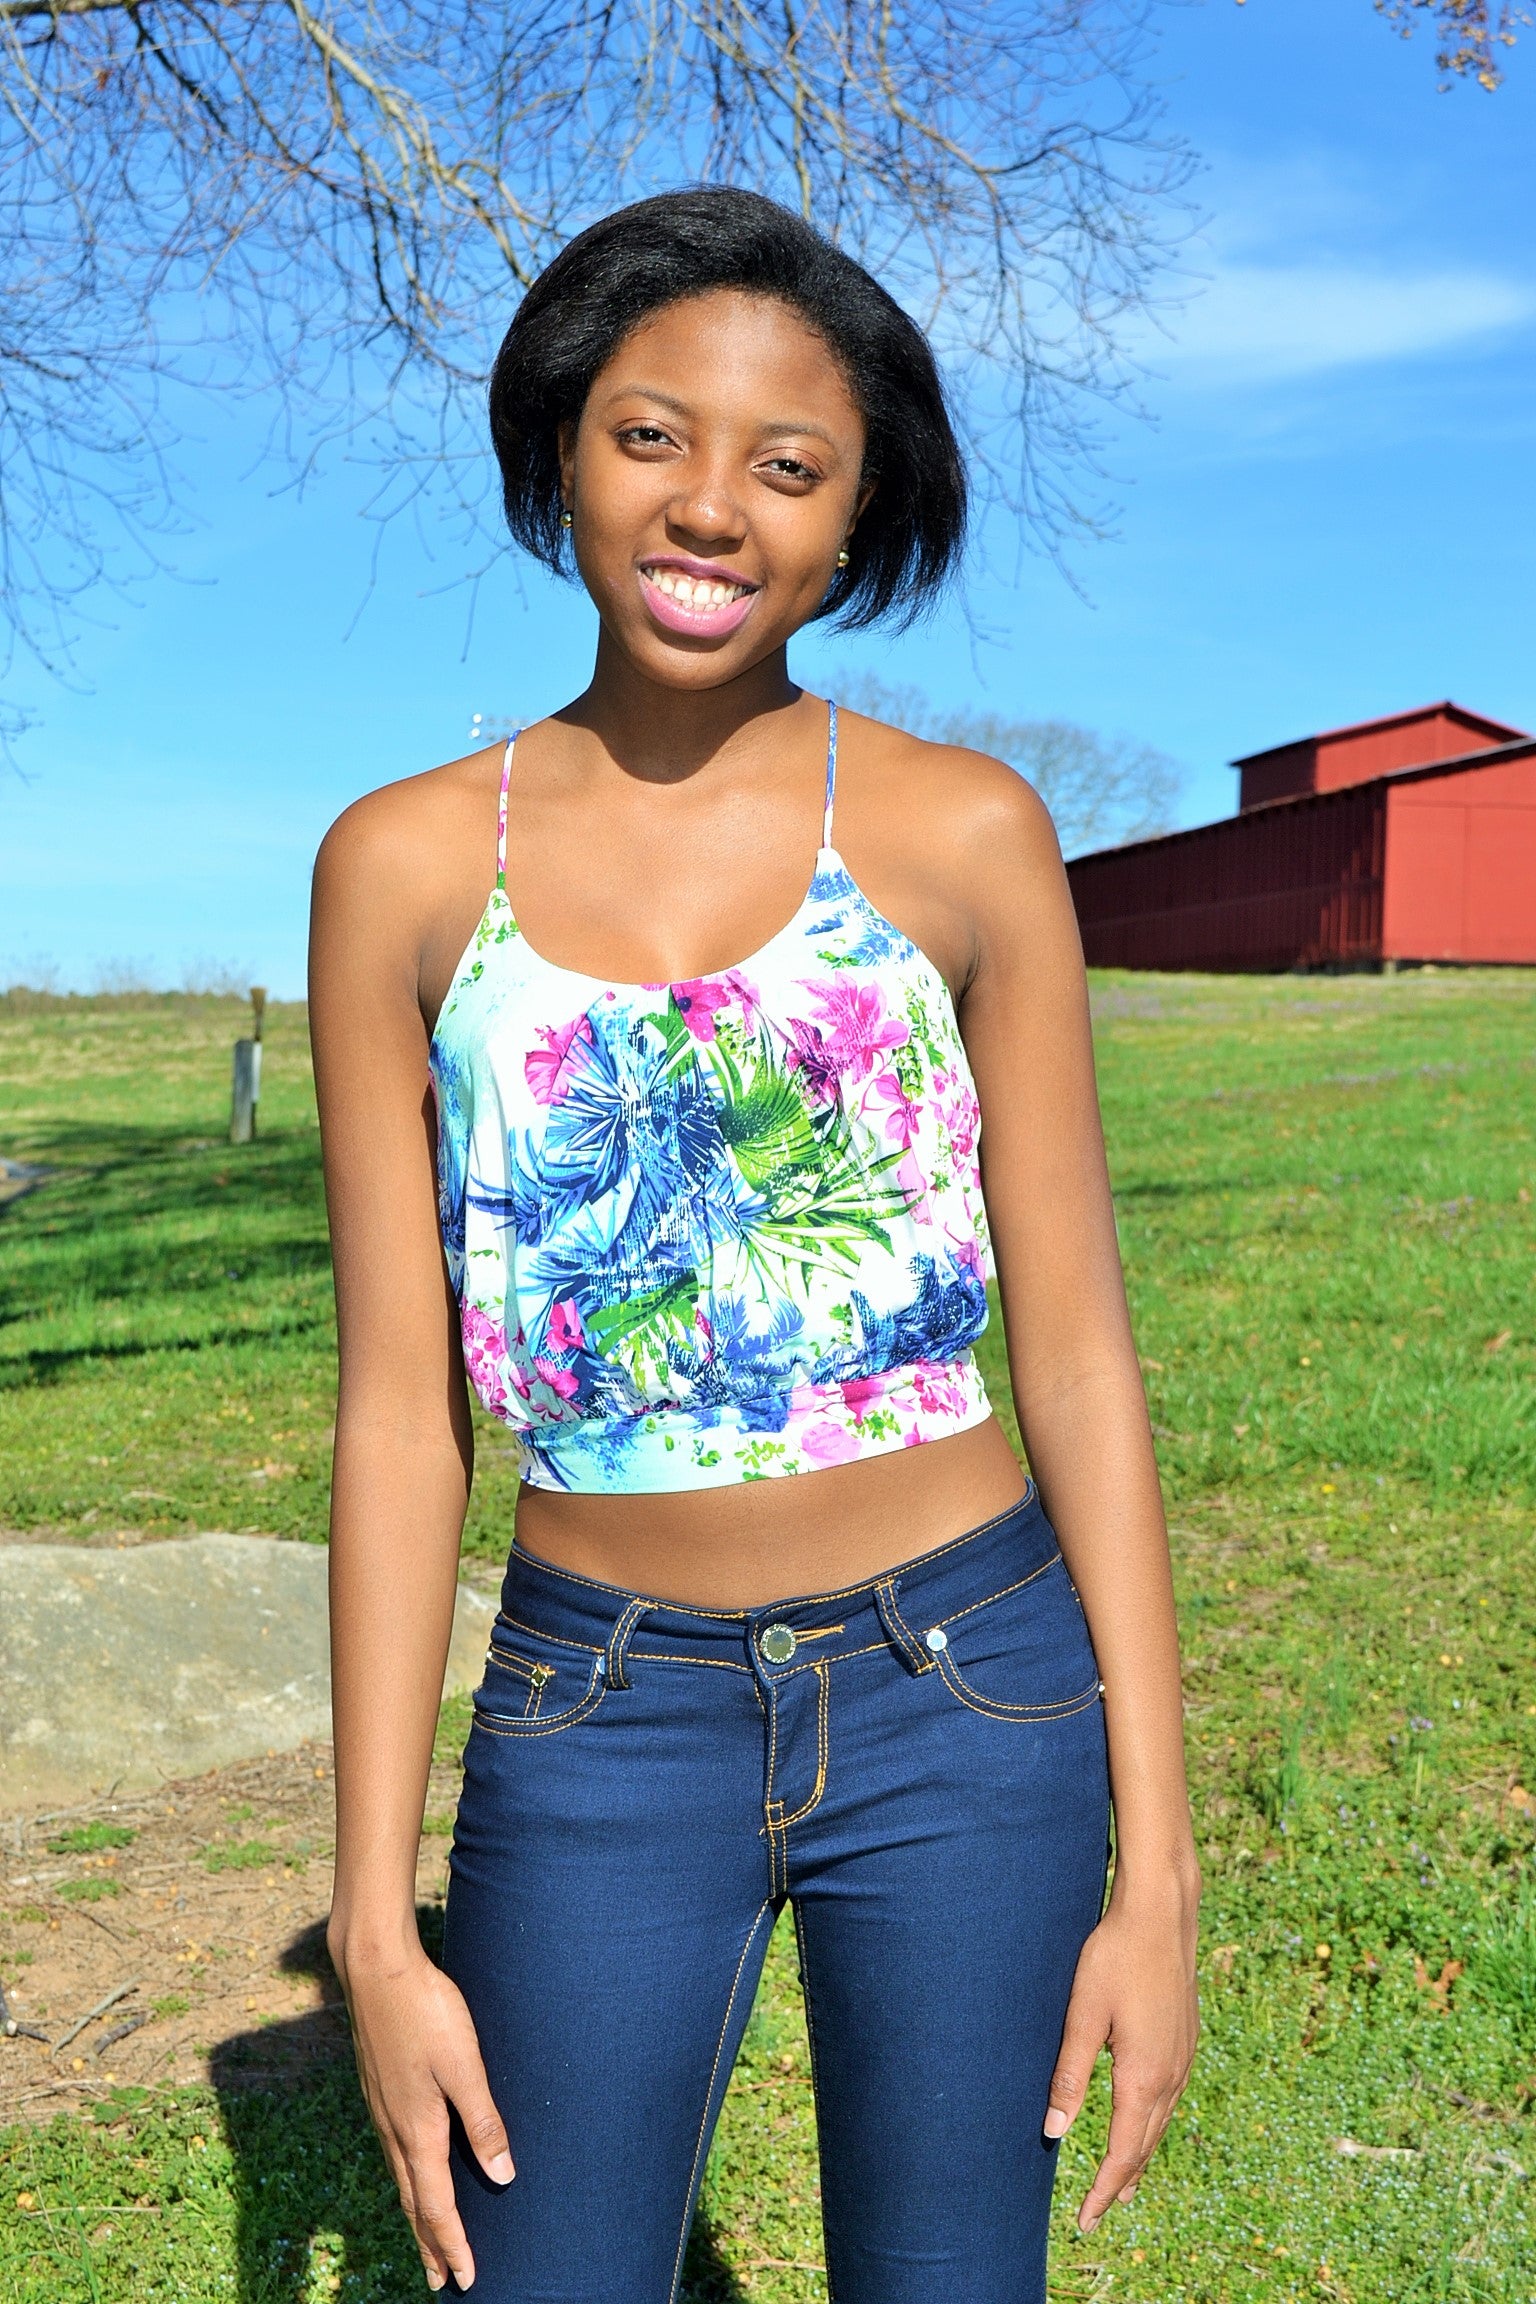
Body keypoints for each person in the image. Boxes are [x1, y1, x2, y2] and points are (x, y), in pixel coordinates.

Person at [310, 186, 1199, 2304]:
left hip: (969, 1696)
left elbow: (1077, 1354)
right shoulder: (406, 868)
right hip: (592, 1713)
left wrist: (1157, 1863)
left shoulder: (964, 836)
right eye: (650, 437)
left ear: (858, 512)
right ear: (557, 450)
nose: (712, 508)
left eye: (788, 467)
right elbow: (393, 1416)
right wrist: (368, 1910)